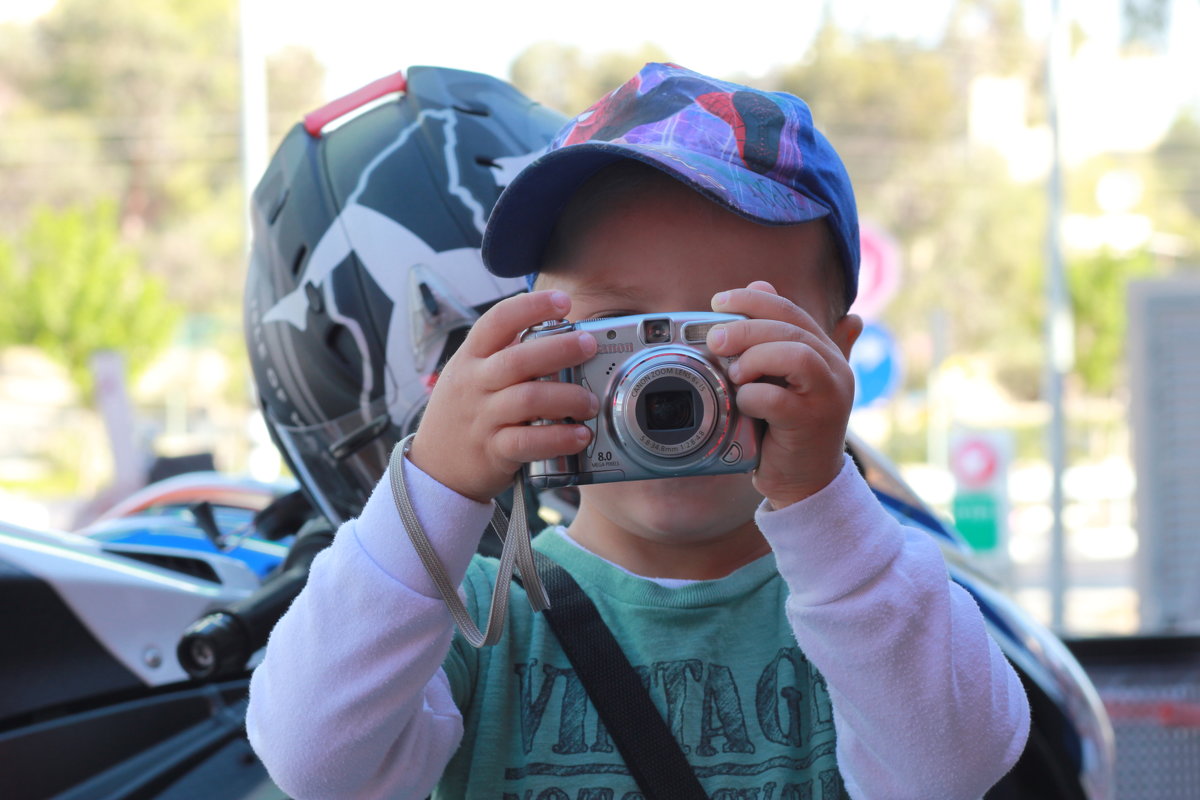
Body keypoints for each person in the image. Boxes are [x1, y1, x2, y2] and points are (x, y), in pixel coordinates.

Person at [247, 62, 1030, 799]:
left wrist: (820, 498)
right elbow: (314, 760)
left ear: (837, 359)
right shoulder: (476, 618)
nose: (669, 379)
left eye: (729, 328)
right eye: (617, 329)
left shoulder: (863, 611)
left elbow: (955, 765)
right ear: (529, 350)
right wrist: (436, 482)